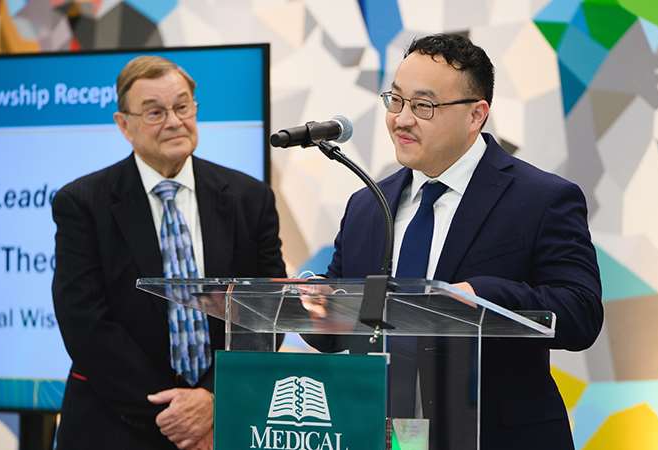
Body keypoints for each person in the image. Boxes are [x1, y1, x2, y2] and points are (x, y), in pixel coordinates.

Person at [308, 34, 603, 449]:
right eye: (396, 100)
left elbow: (581, 313)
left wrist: (480, 296)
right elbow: (335, 332)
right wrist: (310, 303)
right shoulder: (367, 205)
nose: (402, 119)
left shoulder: (541, 199)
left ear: (476, 115)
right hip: (381, 435)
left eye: (423, 106)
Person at [51, 55, 286, 450]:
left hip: (222, 420)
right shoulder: (83, 203)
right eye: (155, 112)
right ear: (124, 125)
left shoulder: (250, 199)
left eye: (182, 106)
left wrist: (211, 398)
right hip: (115, 423)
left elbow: (268, 310)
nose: (175, 121)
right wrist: (175, 412)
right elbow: (84, 320)